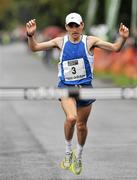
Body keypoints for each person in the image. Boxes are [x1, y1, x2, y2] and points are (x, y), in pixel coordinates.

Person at [26, 12, 129, 175]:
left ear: (82, 26)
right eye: (71, 26)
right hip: (66, 87)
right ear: (67, 27)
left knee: (81, 126)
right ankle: (68, 151)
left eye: (77, 25)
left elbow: (115, 48)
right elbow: (35, 48)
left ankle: (78, 155)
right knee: (71, 118)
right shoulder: (60, 41)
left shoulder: (90, 41)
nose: (74, 29)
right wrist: (30, 36)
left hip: (85, 88)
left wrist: (122, 38)